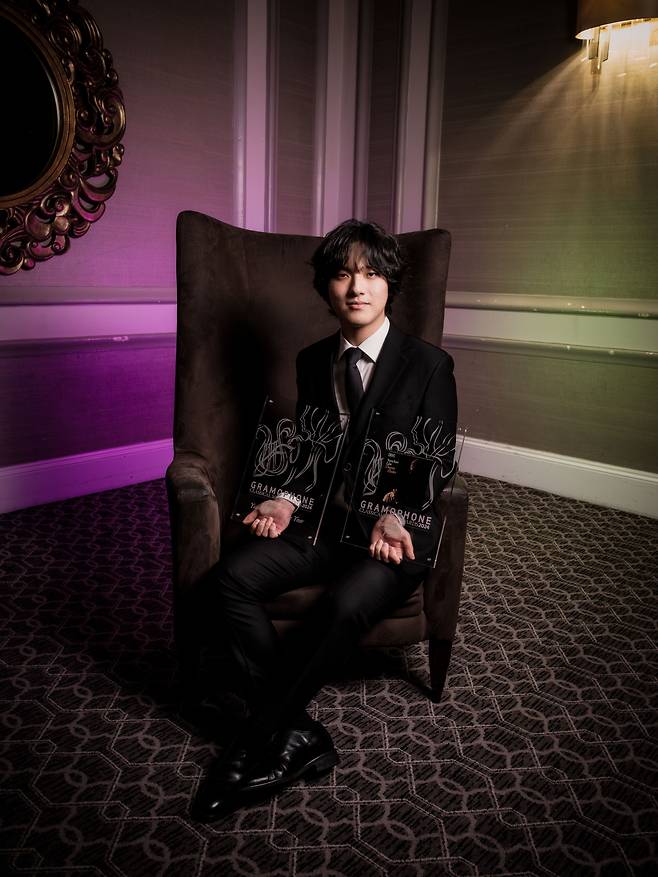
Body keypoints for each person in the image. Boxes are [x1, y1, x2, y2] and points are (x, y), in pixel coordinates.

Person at [191, 219, 457, 822]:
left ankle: (254, 742)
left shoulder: (428, 364)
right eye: (341, 274)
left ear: (390, 284)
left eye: (369, 273)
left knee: (340, 606)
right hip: (322, 527)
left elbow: (431, 454)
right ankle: (299, 732)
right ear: (326, 289)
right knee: (228, 581)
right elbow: (314, 448)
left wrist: (393, 514)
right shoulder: (314, 360)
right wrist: (288, 496)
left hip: (393, 538)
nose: (355, 287)